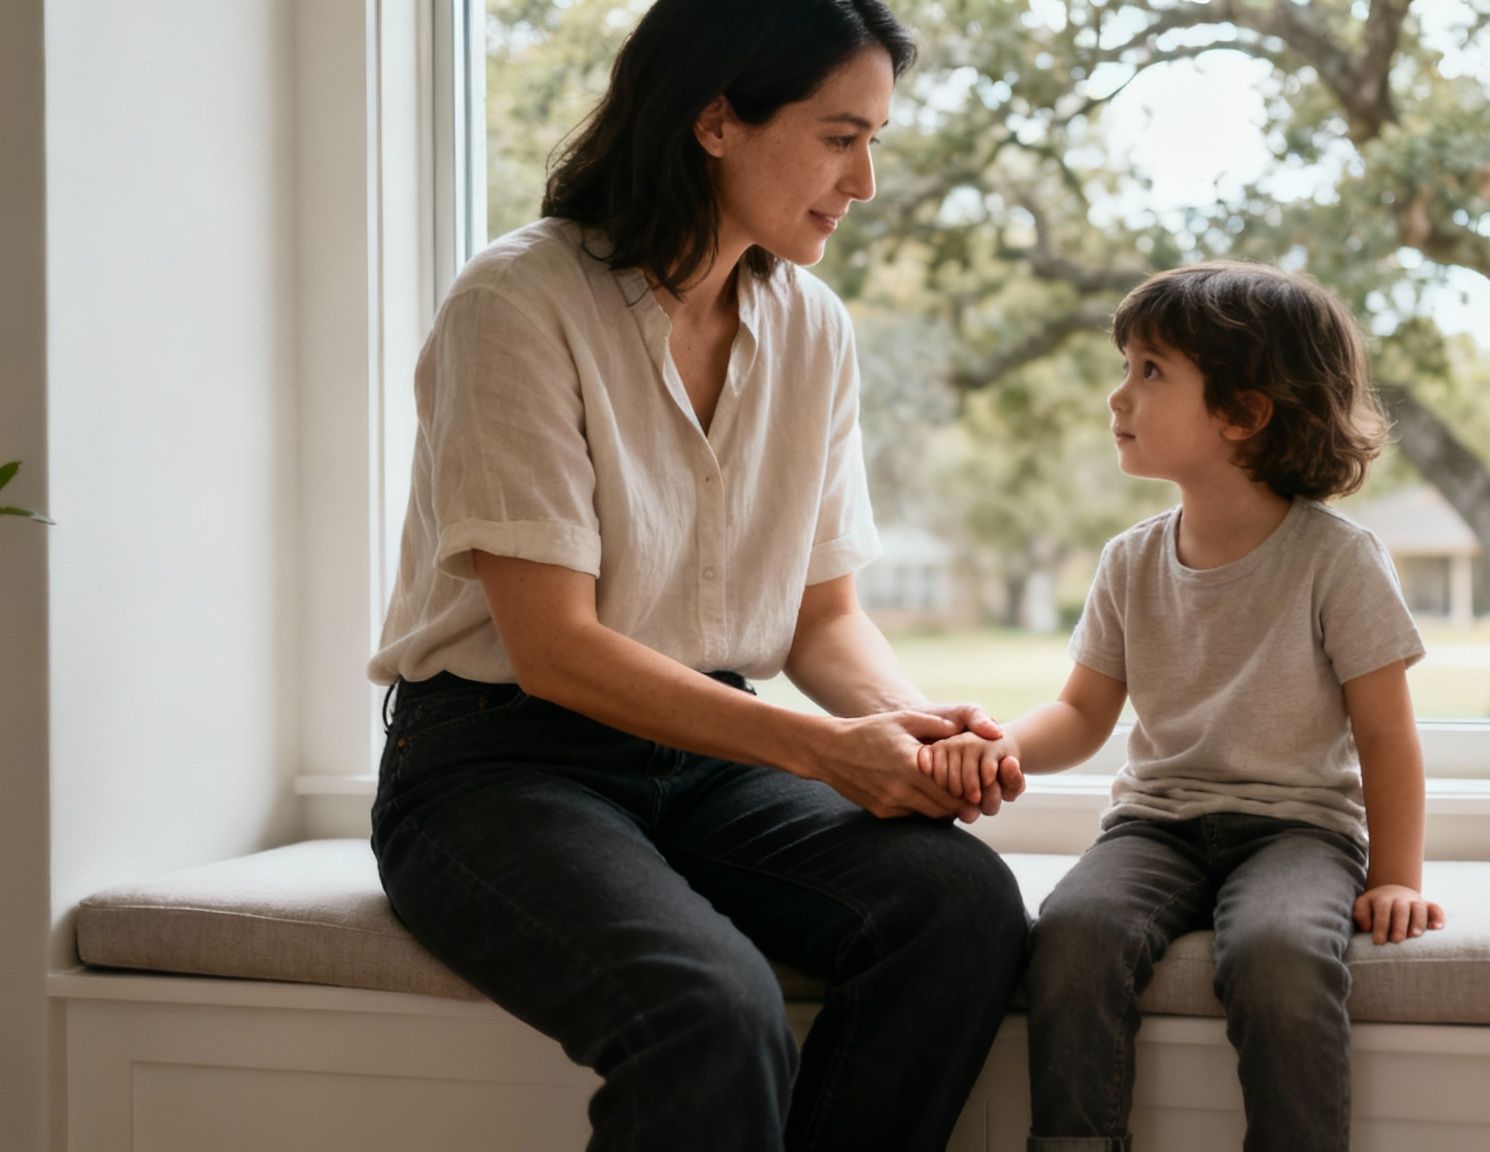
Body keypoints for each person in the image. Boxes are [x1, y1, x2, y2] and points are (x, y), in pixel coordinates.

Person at [366, 3, 1028, 1149]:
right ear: (715, 119)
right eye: (838, 136)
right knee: (709, 1011)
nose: (864, 179)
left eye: (876, 139)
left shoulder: (812, 327)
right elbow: (554, 649)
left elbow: (825, 620)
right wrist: (827, 753)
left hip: (707, 759)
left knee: (960, 906)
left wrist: (904, 728)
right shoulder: (515, 304)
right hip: (493, 770)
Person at [919, 261, 1448, 1152]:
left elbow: (1387, 737)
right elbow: (1082, 715)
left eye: (1150, 371)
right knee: (1074, 933)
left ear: (1244, 412)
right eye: (1125, 366)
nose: (1117, 395)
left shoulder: (1339, 560)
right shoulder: (1130, 560)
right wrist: (997, 743)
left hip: (1298, 833)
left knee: (1279, 955)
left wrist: (1396, 877)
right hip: (1155, 827)